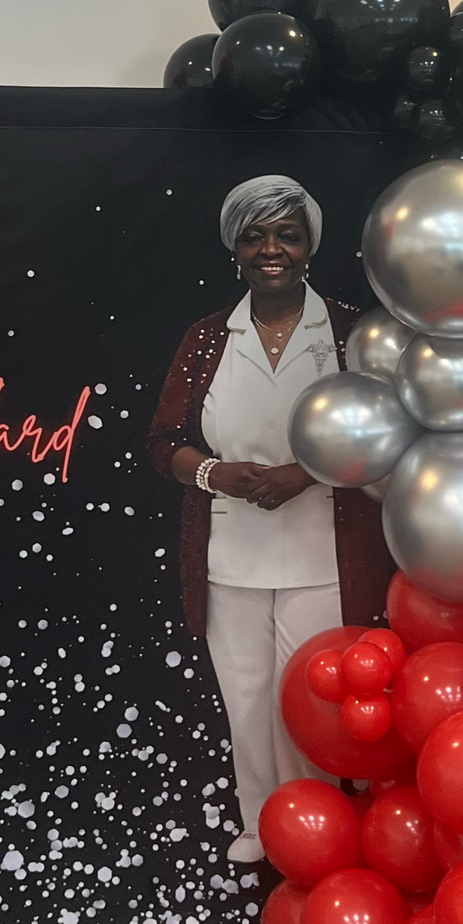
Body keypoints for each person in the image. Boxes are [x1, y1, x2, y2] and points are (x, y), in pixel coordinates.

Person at [146, 174, 391, 865]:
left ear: (310, 244)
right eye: (254, 236)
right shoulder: (205, 339)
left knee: (310, 700)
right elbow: (162, 441)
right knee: (246, 701)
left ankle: (318, 829)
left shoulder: (348, 330)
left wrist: (307, 471)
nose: (271, 248)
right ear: (235, 250)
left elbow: (383, 433)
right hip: (231, 552)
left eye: (286, 233)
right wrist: (212, 472)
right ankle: (262, 825)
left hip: (322, 550)